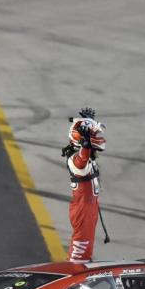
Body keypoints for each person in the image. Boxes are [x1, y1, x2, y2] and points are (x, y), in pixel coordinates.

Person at [61, 108, 106, 262]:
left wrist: (88, 123)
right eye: (94, 135)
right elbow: (80, 163)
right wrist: (86, 146)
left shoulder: (85, 155)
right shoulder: (75, 160)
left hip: (89, 207)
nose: (98, 137)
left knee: (86, 251)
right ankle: (74, 276)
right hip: (83, 210)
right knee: (78, 258)